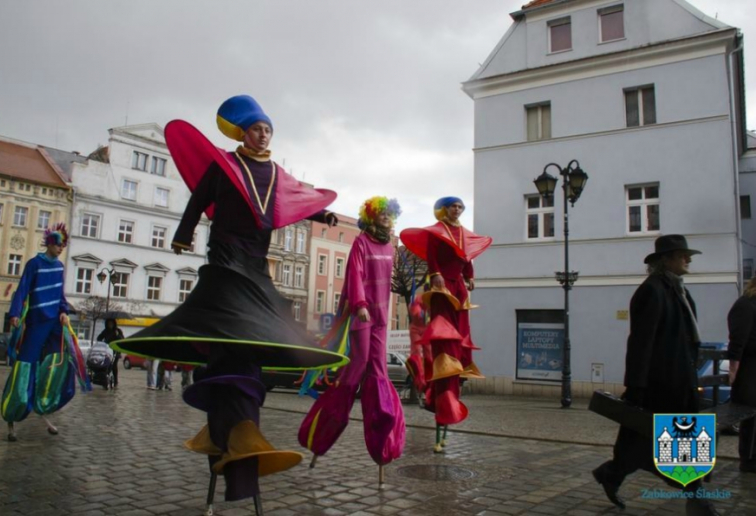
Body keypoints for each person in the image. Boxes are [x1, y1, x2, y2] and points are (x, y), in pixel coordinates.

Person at [111, 95, 346, 505]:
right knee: (228, 313)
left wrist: (320, 215)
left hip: (256, 259)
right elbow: (199, 199)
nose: (264, 135)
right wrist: (183, 235)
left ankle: (234, 429)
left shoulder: (275, 171)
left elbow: (292, 199)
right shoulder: (225, 165)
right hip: (225, 253)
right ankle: (233, 431)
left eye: (268, 129)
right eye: (257, 129)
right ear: (243, 132)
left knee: (254, 321)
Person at [592, 235, 719, 516]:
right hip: (660, 385)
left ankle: (611, 473)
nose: (688, 259)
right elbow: (641, 342)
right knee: (663, 443)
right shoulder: (652, 290)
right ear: (665, 260)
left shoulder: (677, 289)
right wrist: (636, 386)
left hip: (680, 380)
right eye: (682, 255)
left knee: (641, 446)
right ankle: (698, 498)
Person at [298, 197, 405, 483]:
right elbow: (354, 274)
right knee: (355, 369)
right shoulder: (361, 242)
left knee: (379, 373)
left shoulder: (389, 245)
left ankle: (383, 436)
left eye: (388, 214)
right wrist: (359, 303)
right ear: (371, 216)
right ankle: (322, 431)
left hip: (382, 317)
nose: (385, 217)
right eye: (380, 213)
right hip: (362, 314)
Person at [400, 197, 492, 452]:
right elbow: (432, 256)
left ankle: (455, 369)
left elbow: (468, 256)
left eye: (460, 207)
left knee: (460, 332)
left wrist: (470, 277)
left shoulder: (464, 234)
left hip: (459, 287)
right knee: (442, 329)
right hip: (442, 285)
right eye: (453, 206)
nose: (457, 210)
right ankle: (439, 374)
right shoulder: (437, 232)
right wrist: (435, 274)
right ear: (443, 209)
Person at [1, 223, 87, 441]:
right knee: (25, 366)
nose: (61, 249)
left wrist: (64, 311)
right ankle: (12, 414)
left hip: (54, 324)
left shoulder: (59, 268)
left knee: (56, 365)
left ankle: (44, 407)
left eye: (63, 246)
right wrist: (15, 312)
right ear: (49, 243)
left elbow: (59, 296)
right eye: (58, 245)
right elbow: (22, 289)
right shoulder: (34, 264)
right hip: (36, 322)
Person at [726, 275, 756, 473]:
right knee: (751, 418)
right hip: (749, 371)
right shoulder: (746, 305)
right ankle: (749, 460)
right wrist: (733, 368)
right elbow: (738, 340)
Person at [97, 319, 124, 388]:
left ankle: (115, 381)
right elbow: (99, 338)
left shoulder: (118, 330)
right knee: (106, 364)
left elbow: (122, 339)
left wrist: (117, 335)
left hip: (116, 351)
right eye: (109, 323)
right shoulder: (105, 331)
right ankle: (105, 378)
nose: (110, 325)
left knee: (114, 365)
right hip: (107, 350)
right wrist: (102, 342)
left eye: (111, 323)